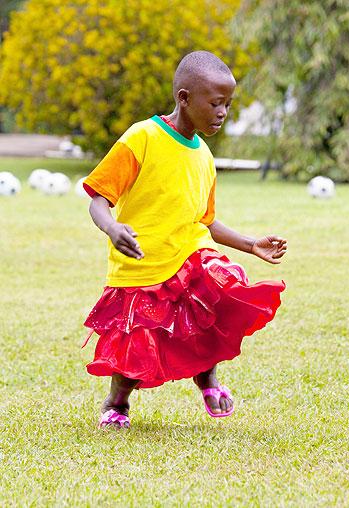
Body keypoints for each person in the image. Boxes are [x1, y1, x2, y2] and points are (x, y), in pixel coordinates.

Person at [82, 50, 287, 428]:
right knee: (136, 343)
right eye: (215, 103)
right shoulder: (142, 137)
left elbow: (205, 221)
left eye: (227, 103)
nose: (223, 112)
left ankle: (207, 379)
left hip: (191, 254)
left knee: (218, 294)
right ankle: (117, 403)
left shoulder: (204, 157)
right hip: (142, 262)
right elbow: (98, 200)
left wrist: (249, 244)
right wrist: (112, 228)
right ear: (184, 98)